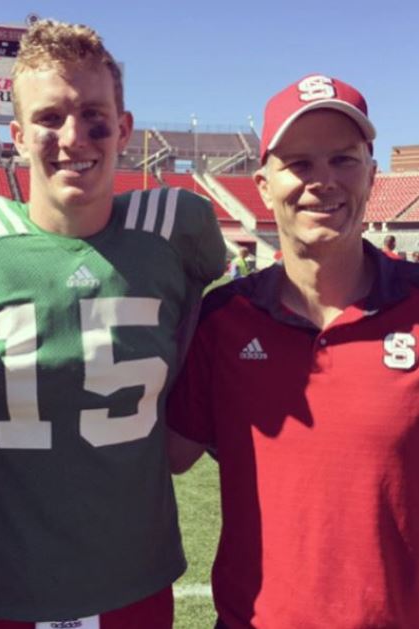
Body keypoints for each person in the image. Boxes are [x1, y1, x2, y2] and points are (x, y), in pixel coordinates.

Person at [0, 18, 225, 629]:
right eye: (49, 118)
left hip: (136, 580)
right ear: (17, 135)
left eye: (93, 114)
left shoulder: (174, 233)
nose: (74, 136)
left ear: (123, 129)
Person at [167, 74, 419, 628]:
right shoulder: (223, 320)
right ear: (262, 184)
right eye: (299, 164)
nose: (322, 181)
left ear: (373, 175)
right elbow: (165, 456)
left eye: (343, 160)